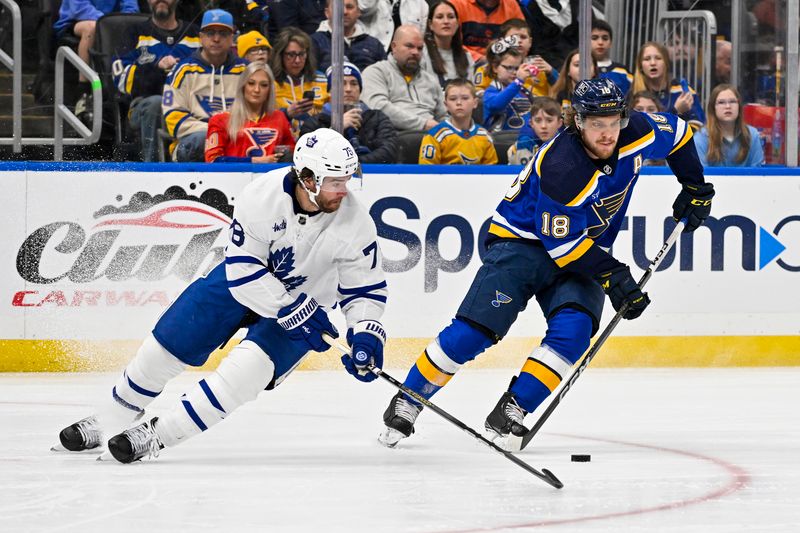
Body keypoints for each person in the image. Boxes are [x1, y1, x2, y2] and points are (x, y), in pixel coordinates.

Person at [377, 78, 715, 449]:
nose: (607, 134)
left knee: (574, 331)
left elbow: (680, 134)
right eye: (596, 124)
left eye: (613, 121)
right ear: (578, 122)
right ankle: (409, 398)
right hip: (522, 243)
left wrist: (695, 187)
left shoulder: (636, 128)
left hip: (581, 246)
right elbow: (562, 246)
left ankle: (514, 406)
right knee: (475, 331)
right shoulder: (563, 167)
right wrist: (615, 275)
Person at [56, 128, 389, 463]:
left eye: (346, 179)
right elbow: (243, 271)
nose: (344, 190)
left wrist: (365, 334)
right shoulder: (261, 196)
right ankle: (115, 414)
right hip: (250, 284)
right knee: (173, 337)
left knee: (245, 375)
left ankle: (158, 434)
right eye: (335, 181)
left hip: (307, 306)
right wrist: (289, 307)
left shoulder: (357, 223)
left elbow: (364, 290)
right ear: (307, 178)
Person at [112, 0, 200, 162]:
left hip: (190, 105)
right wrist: (157, 68)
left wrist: (180, 70)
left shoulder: (195, 35)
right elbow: (120, 78)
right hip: (143, 106)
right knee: (156, 103)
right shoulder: (134, 33)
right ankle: (151, 169)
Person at [162, 9, 248, 162]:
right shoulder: (183, 70)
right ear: (201, 37)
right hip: (197, 137)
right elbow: (173, 116)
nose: (216, 39)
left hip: (240, 136)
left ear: (232, 38)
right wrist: (216, 132)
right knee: (202, 141)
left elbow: (260, 112)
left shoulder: (247, 71)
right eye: (210, 33)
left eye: (223, 33)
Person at [53, 0, 140, 121]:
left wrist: (123, 20)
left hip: (110, 24)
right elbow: (79, 9)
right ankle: (83, 92)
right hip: (77, 21)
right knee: (91, 28)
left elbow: (131, 7)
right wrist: (108, 22)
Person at [300, 62, 398, 164]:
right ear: (330, 91)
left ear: (360, 90)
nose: (348, 89)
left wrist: (353, 164)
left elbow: (389, 151)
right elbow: (307, 153)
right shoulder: (315, 122)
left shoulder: (378, 118)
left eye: (354, 83)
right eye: (342, 83)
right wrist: (336, 128)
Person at [361, 25, 447, 133]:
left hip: (432, 137)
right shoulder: (376, 72)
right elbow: (378, 107)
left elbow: (444, 116)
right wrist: (422, 124)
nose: (415, 52)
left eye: (420, 48)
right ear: (394, 46)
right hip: (394, 136)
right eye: (409, 46)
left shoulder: (430, 80)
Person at [205, 62, 295, 163]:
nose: (257, 90)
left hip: (271, 177)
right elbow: (212, 160)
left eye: (264, 85)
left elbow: (293, 154)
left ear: (270, 90)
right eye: (251, 83)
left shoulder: (279, 117)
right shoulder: (220, 120)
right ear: (243, 86)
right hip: (231, 178)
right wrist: (254, 161)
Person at [418, 79, 497, 164]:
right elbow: (426, 173)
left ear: (475, 103)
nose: (459, 102)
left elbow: (490, 173)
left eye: (465, 98)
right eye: (453, 99)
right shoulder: (434, 136)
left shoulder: (485, 137)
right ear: (446, 105)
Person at [269, 28, 329, 138]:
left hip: (317, 142)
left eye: (301, 54)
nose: (297, 60)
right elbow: (261, 119)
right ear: (280, 55)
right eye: (291, 55)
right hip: (282, 142)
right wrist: (287, 113)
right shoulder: (269, 82)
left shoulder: (321, 79)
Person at [631, 41, 706, 128]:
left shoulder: (681, 91)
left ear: (666, 63)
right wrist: (676, 111)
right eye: (647, 59)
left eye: (658, 58)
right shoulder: (633, 93)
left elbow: (698, 124)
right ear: (640, 66)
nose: (652, 63)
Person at [473, 20, 556, 98]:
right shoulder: (487, 69)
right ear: (502, 40)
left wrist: (552, 72)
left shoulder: (542, 69)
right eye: (513, 37)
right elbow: (477, 95)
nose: (519, 41)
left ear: (530, 42)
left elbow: (564, 95)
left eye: (523, 37)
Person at [694, 84, 764, 168]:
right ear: (713, 108)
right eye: (721, 102)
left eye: (732, 101)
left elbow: (758, 175)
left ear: (739, 106)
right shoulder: (700, 137)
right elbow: (700, 174)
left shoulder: (753, 135)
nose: (728, 106)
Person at [310, 0, 385, 72]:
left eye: (349, 7)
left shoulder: (375, 45)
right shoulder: (314, 42)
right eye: (338, 7)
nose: (344, 12)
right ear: (327, 13)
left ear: (358, 12)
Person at [481, 37, 537, 132]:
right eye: (509, 68)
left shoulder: (523, 91)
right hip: (500, 142)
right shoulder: (491, 91)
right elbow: (496, 105)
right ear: (495, 67)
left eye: (517, 68)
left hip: (525, 140)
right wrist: (518, 81)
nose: (514, 72)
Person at [421, 0, 475, 88]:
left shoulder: (466, 56)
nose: (446, 21)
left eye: (451, 17)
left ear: (457, 23)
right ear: (430, 24)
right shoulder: (422, 54)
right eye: (439, 17)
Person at [449, 0, 524, 62]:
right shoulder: (457, 4)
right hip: (463, 62)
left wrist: (500, 59)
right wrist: (478, 58)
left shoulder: (511, 5)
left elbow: (521, 38)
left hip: (500, 64)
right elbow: (449, 42)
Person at [507, 95, 562, 165]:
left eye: (549, 120)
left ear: (559, 123)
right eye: (538, 121)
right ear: (531, 123)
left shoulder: (568, 143)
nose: (543, 126)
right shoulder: (524, 142)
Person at [358, 0, 428, 51]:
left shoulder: (421, 4)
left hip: (406, 58)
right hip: (373, 53)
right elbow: (363, 8)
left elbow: (420, 39)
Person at [590, 19, 632, 96]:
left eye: (605, 38)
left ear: (611, 42)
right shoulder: (579, 69)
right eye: (594, 38)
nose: (600, 42)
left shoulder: (623, 72)